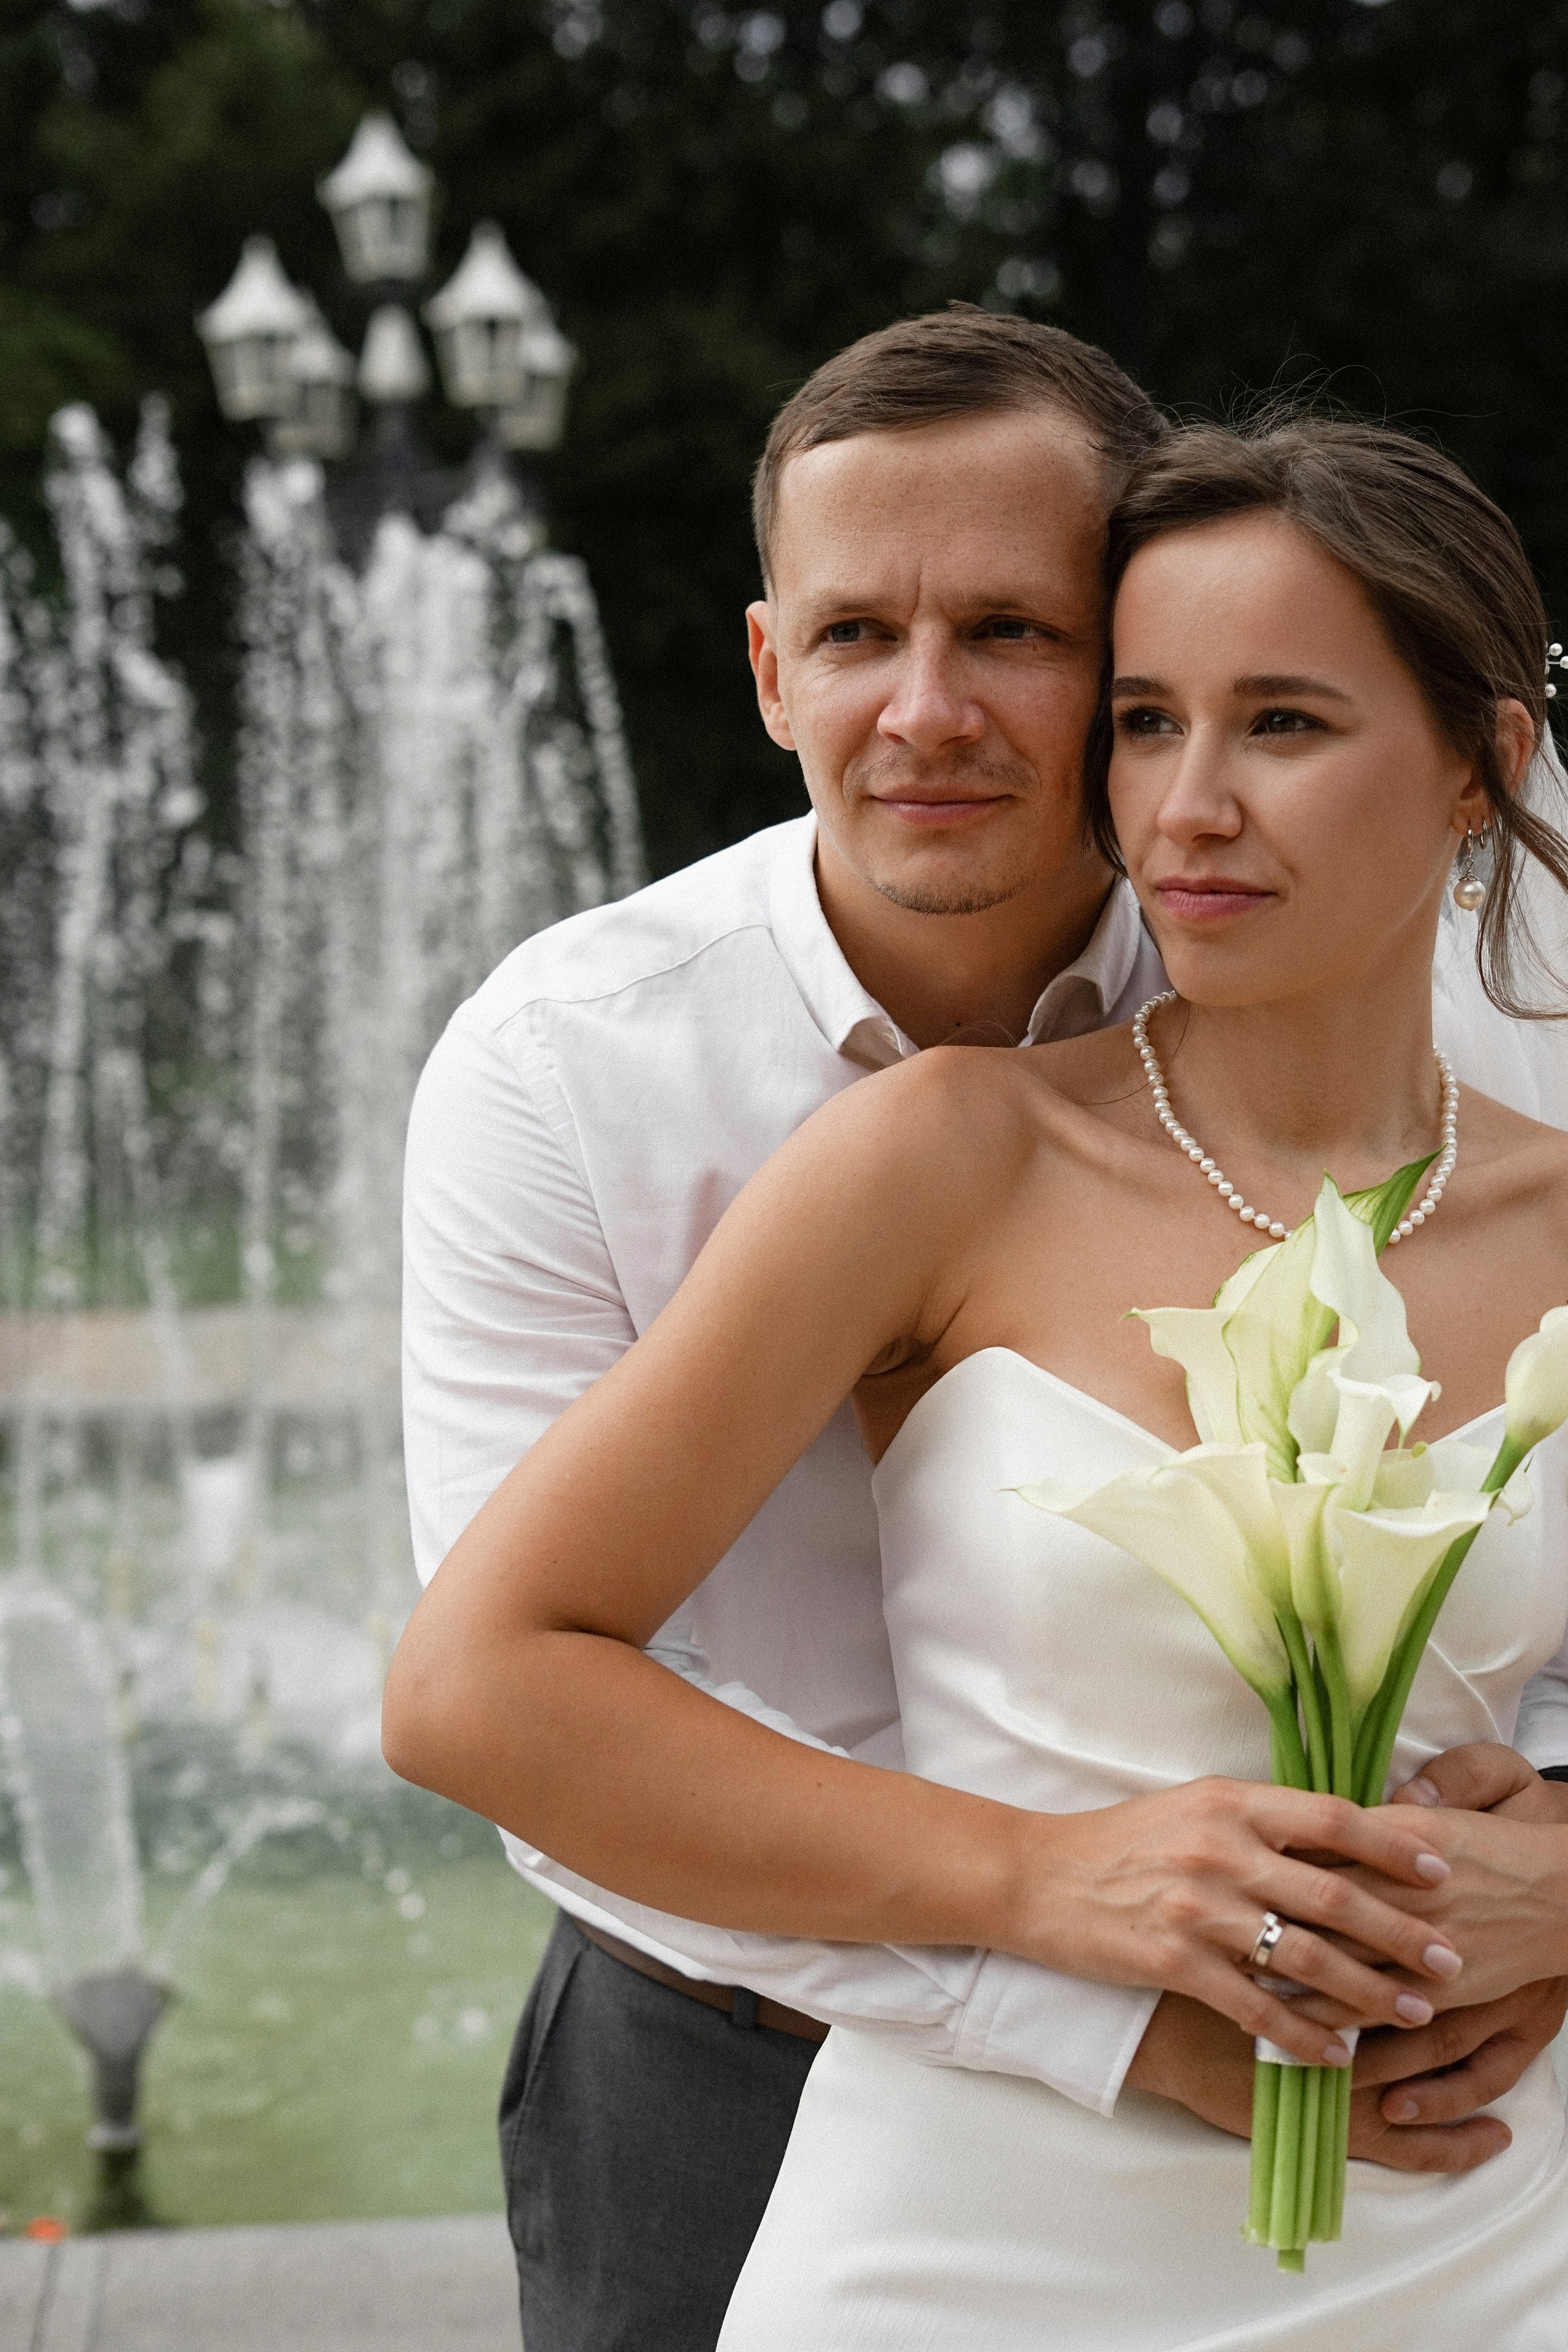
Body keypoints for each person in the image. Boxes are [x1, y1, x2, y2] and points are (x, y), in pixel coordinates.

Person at [396, 318, 1568, 2348]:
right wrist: (1077, 1972)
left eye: (1016, 636)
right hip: (730, 2024)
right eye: (857, 635)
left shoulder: (1455, 1043)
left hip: (1421, 2115)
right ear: (772, 670)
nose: (926, 712)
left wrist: (1546, 1878)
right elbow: (498, 1692)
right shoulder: (572, 1070)